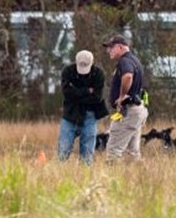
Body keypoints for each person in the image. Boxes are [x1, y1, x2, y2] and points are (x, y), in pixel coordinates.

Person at [102, 33, 149, 162]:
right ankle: (140, 174)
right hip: (136, 110)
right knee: (132, 154)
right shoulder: (134, 60)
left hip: (129, 111)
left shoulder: (125, 61)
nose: (108, 50)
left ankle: (110, 174)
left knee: (113, 151)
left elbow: (128, 76)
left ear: (121, 47)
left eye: (111, 47)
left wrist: (122, 96)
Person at [58, 49, 109, 165]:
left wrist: (76, 93)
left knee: (87, 153)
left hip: (90, 115)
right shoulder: (67, 71)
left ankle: (85, 172)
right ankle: (60, 171)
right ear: (75, 62)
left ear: (92, 63)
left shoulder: (98, 74)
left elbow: (96, 98)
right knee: (63, 149)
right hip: (70, 114)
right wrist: (87, 91)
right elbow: (67, 93)